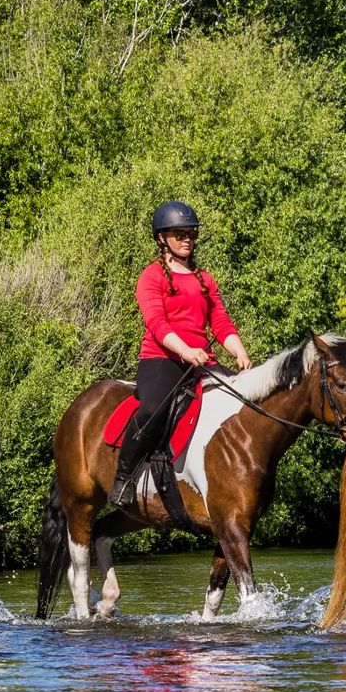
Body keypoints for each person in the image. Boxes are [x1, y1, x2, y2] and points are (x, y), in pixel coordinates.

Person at [109, 201, 253, 506]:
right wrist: (187, 351)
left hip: (202, 360)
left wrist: (239, 352)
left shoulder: (205, 279)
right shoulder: (152, 276)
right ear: (162, 238)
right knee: (152, 411)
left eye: (191, 233)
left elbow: (221, 322)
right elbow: (156, 323)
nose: (187, 238)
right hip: (162, 359)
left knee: (241, 403)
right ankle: (123, 477)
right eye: (179, 233)